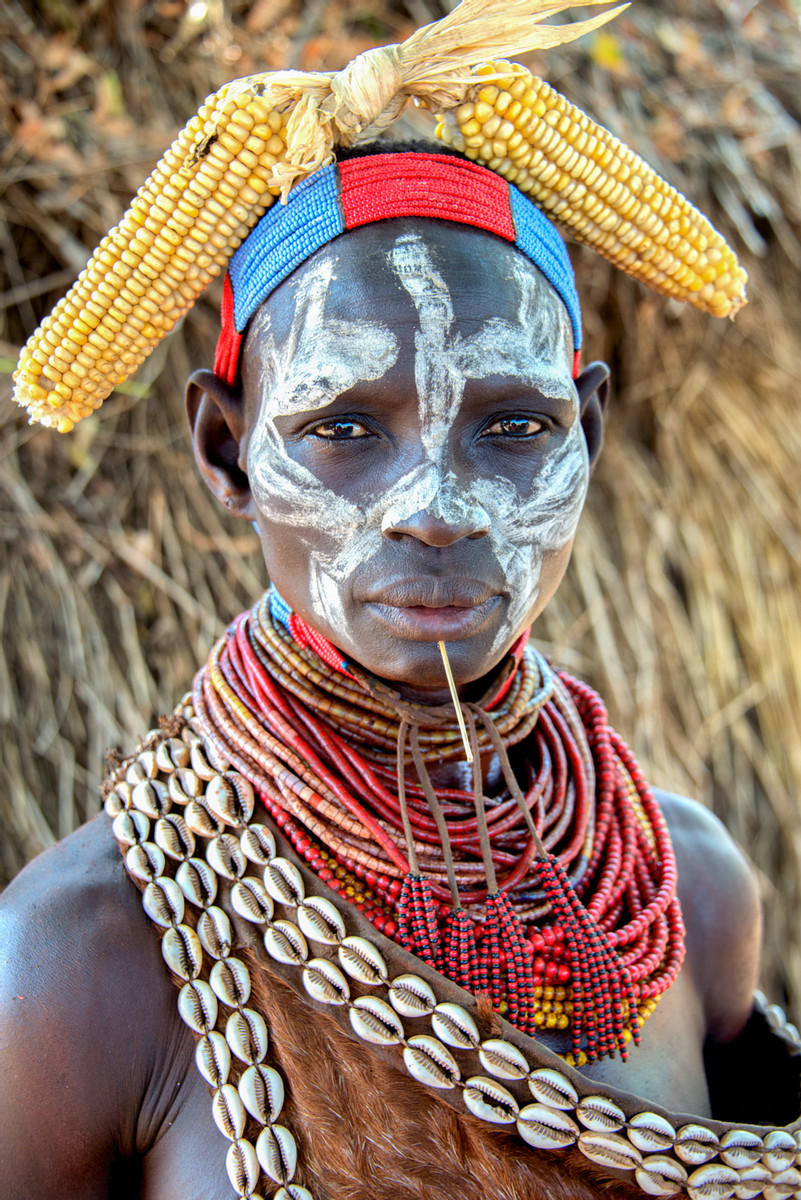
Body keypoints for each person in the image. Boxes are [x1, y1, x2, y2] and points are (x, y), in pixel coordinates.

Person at [3, 4, 800, 1198]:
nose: (438, 506)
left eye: (515, 426)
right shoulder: (81, 967)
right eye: (342, 429)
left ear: (587, 432)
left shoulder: (685, 889)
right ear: (225, 452)